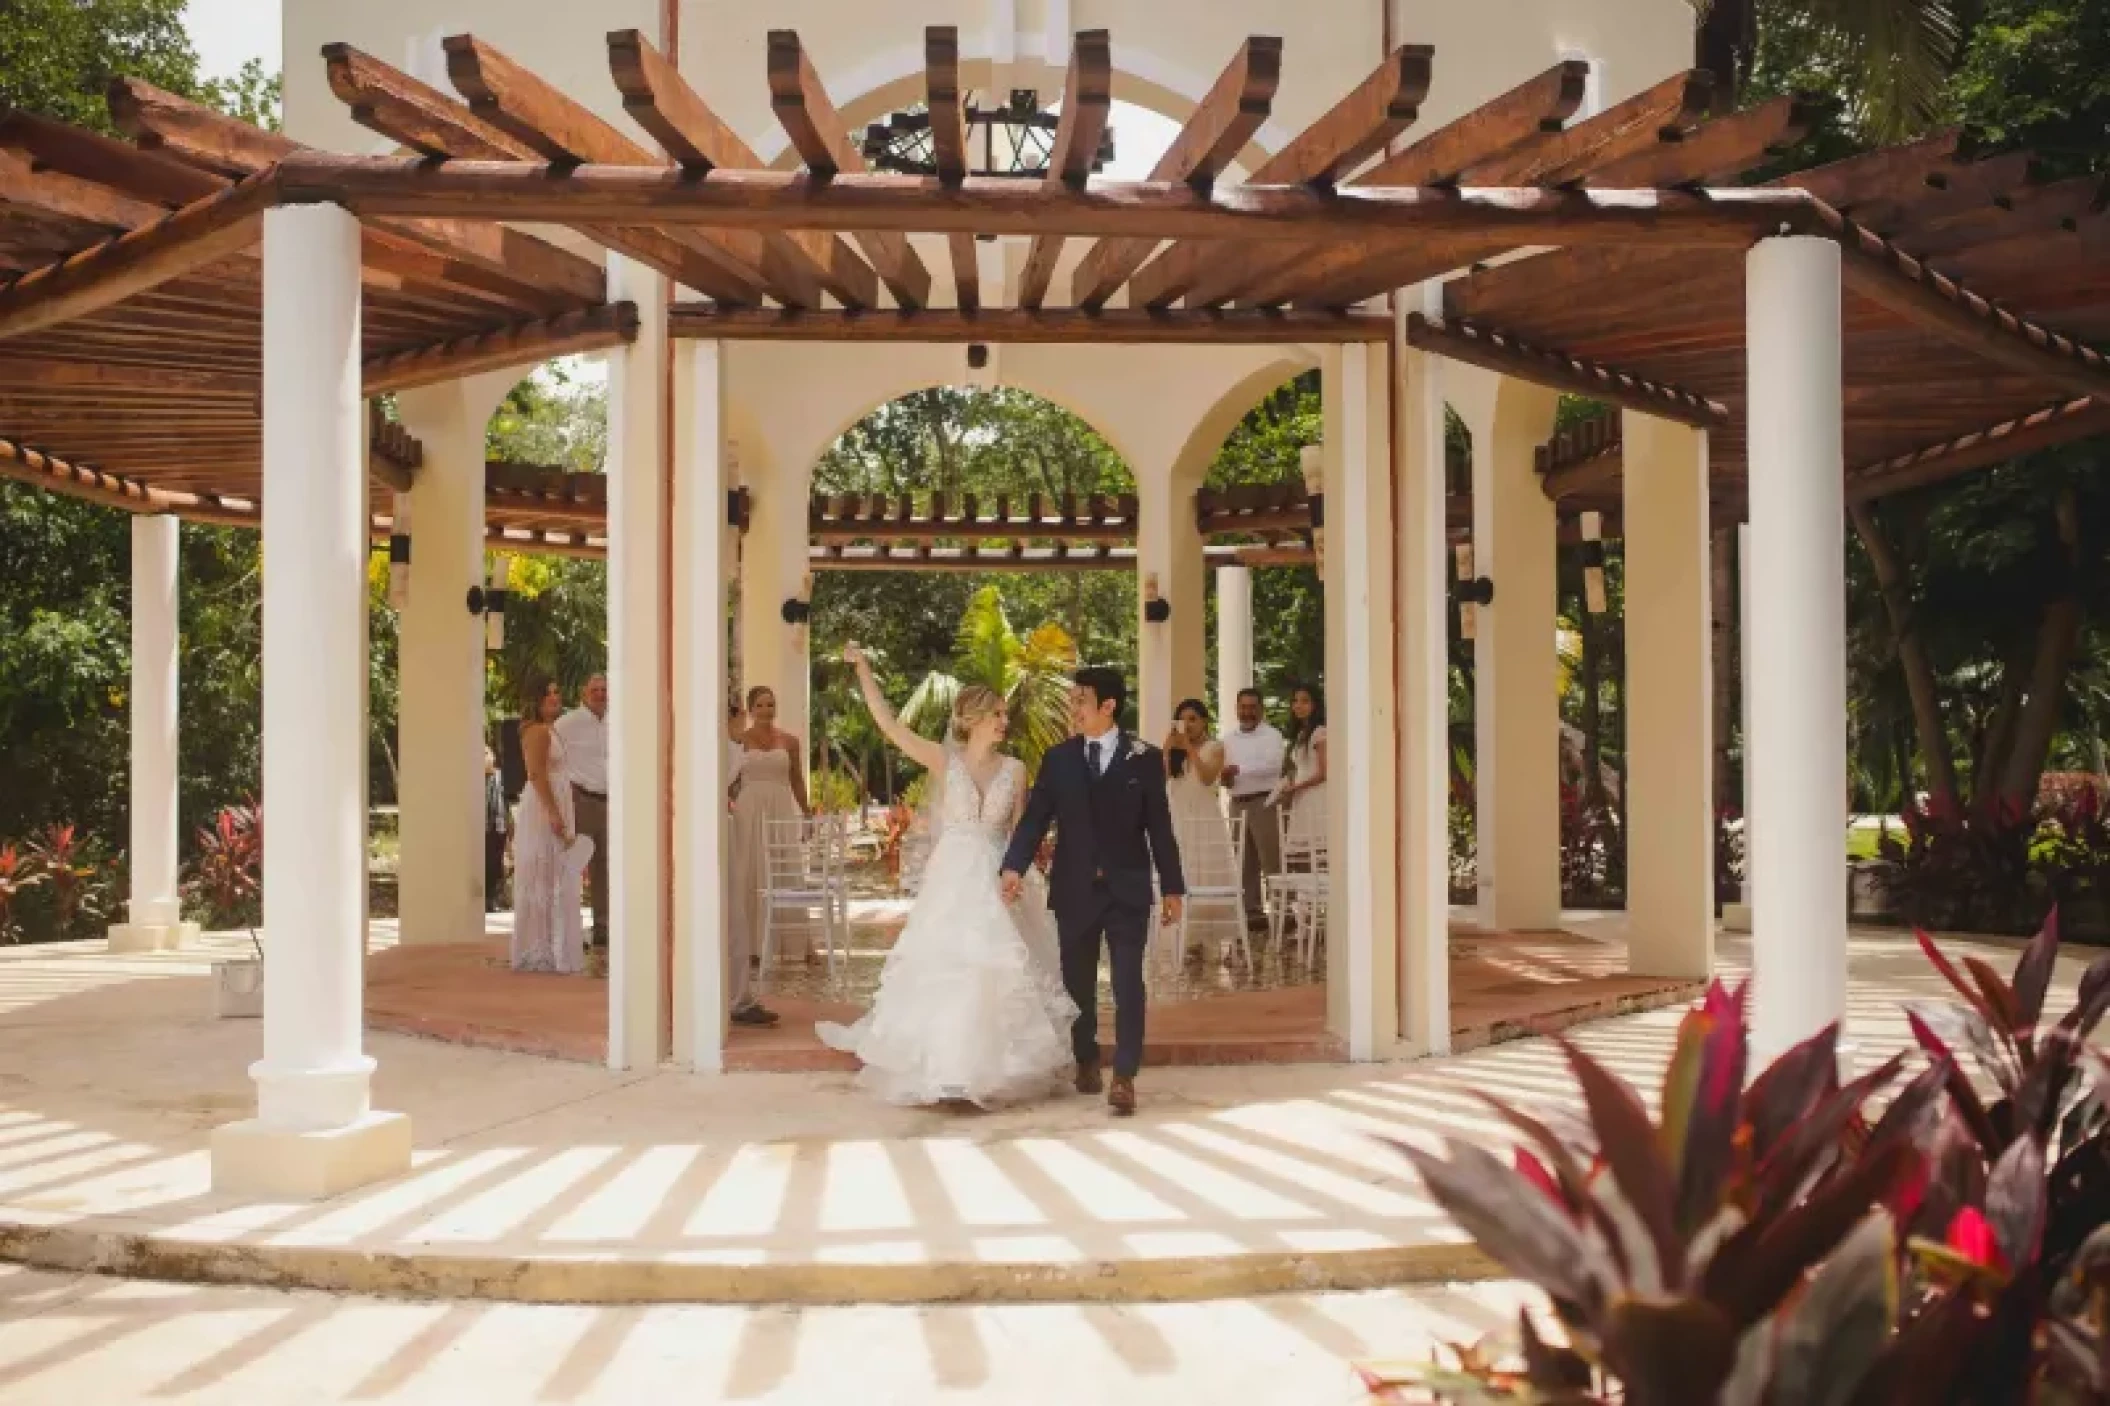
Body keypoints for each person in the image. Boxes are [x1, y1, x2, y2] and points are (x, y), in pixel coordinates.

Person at [817, 645, 1075, 1107]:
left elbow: (1020, 832)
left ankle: (995, 1070)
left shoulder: (1015, 771)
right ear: (972, 718)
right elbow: (891, 726)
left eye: (1003, 713)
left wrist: (1020, 877)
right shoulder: (944, 760)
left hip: (997, 877)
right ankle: (946, 1069)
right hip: (953, 880)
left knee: (997, 970)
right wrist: (864, 670)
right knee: (949, 968)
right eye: (996, 713)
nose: (1003, 720)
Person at [1000, 667, 1185, 1118]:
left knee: (1127, 981)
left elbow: (1160, 829)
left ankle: (1124, 1075)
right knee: (1077, 983)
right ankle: (1086, 1057)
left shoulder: (1144, 758)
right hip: (1074, 888)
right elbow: (1036, 817)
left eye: (1081, 700)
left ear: (1108, 706)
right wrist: (1013, 864)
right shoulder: (1059, 759)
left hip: (1128, 889)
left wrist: (1174, 888)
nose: (1073, 709)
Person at [728, 685, 813, 978]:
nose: (766, 710)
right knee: (748, 870)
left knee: (786, 868)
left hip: (780, 807)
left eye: (770, 704)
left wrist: (806, 810)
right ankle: (749, 944)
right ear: (750, 710)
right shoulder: (738, 739)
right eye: (761, 705)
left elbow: (797, 780)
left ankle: (794, 944)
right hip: (749, 808)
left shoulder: (790, 741)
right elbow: (728, 776)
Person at [512, 676, 588, 974]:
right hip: (544, 806)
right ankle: (538, 948)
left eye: (557, 692)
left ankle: (553, 946)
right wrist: (554, 813)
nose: (555, 697)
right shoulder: (537, 732)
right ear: (537, 699)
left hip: (556, 800)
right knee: (543, 874)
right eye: (548, 693)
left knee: (556, 874)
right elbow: (536, 774)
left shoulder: (551, 730)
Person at [1164, 699, 1235, 962]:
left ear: (1204, 721)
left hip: (1203, 817)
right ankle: (1187, 937)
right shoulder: (1176, 751)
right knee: (1181, 870)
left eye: (1193, 719)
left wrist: (1190, 749)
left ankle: (1207, 937)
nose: (1189, 725)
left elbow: (1206, 777)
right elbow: (1163, 780)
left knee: (1204, 872)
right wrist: (1169, 749)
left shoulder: (1215, 747)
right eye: (1184, 719)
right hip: (1178, 815)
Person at [553, 673, 610, 973]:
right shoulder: (567, 724)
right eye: (595, 690)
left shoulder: (619, 721)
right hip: (581, 799)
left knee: (607, 866)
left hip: (612, 801)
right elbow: (551, 757)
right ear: (583, 693)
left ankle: (604, 927)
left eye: (604, 689)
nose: (600, 694)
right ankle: (570, 928)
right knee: (576, 865)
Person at [1218, 688, 1285, 930]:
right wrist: (1226, 778)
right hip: (1237, 802)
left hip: (1264, 801)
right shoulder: (1228, 739)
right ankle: (1252, 912)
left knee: (1271, 858)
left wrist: (1239, 770)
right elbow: (1224, 771)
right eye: (1243, 707)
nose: (1247, 712)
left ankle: (1282, 912)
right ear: (1237, 708)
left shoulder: (1272, 736)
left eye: (1252, 707)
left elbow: (1272, 766)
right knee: (1244, 860)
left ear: (1261, 709)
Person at [1281, 683, 1329, 846]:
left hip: (1315, 795)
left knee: (1318, 850)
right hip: (1302, 795)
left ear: (1315, 704)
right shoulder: (1302, 733)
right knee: (1304, 853)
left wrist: (1297, 787)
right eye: (1295, 701)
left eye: (1304, 701)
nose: (1298, 705)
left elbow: (1324, 772)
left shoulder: (1320, 732)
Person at [483, 745, 509, 914]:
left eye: (486, 753)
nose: (484, 758)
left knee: (496, 864)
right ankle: (482, 900)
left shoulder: (502, 777)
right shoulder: (473, 778)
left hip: (498, 826)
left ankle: (493, 900)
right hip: (479, 826)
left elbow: (509, 802)